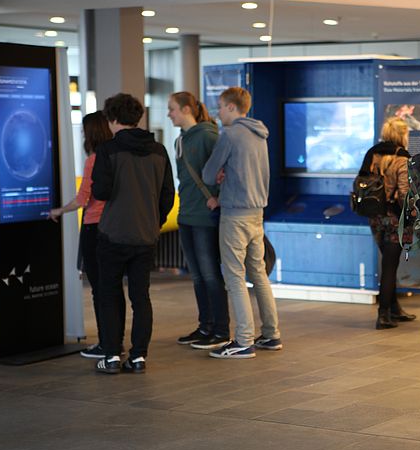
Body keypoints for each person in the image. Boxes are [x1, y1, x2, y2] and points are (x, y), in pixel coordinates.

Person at [91, 93, 175, 374]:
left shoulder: (108, 150)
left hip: (112, 234)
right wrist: (154, 222)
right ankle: (138, 356)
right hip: (146, 235)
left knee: (109, 295)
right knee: (141, 297)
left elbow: (101, 192)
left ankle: (112, 355)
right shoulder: (159, 150)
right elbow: (168, 194)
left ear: (113, 119)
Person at [201, 86, 281, 359]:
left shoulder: (231, 134)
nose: (218, 112)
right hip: (257, 212)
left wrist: (219, 175)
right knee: (258, 273)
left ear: (232, 107)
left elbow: (208, 174)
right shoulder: (260, 134)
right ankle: (271, 334)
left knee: (234, 276)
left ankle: (244, 341)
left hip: (235, 215)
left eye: (220, 107)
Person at [167, 91, 231, 351]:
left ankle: (221, 329)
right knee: (197, 276)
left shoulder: (208, 136)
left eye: (172, 109)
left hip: (205, 216)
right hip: (186, 214)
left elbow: (227, 170)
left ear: (186, 109)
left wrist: (219, 198)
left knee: (210, 275)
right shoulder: (181, 140)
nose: (169, 114)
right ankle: (205, 326)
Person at [49, 111, 115, 359]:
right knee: (112, 288)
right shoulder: (116, 157)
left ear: (91, 133)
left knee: (99, 289)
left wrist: (58, 211)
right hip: (114, 227)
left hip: (94, 228)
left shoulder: (94, 160)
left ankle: (106, 344)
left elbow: (82, 199)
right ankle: (114, 341)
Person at [360, 117, 416, 329]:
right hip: (395, 218)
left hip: (375, 217)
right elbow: (403, 193)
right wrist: (411, 214)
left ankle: (394, 309)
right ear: (401, 134)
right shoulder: (402, 158)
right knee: (390, 265)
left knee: (388, 261)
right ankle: (383, 315)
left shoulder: (372, 154)